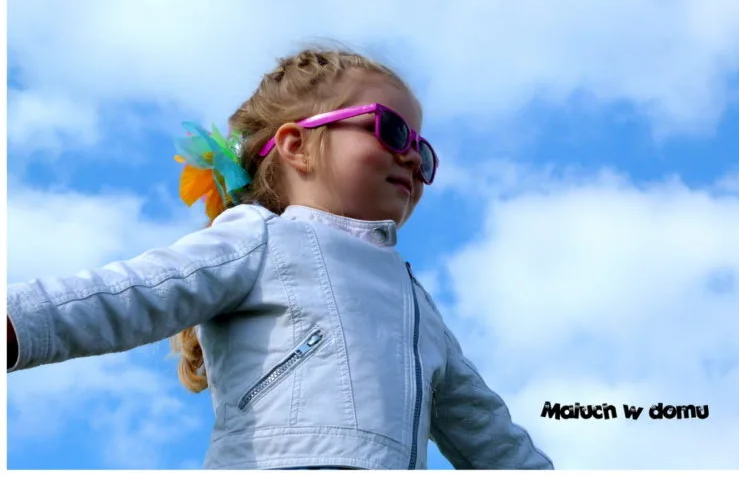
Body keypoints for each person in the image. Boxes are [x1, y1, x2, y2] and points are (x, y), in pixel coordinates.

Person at [6, 48, 554, 470]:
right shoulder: (261, 238)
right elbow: (133, 291)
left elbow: (484, 427)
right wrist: (18, 320)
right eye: (391, 130)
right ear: (297, 146)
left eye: (424, 151)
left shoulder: (418, 306)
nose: (412, 155)